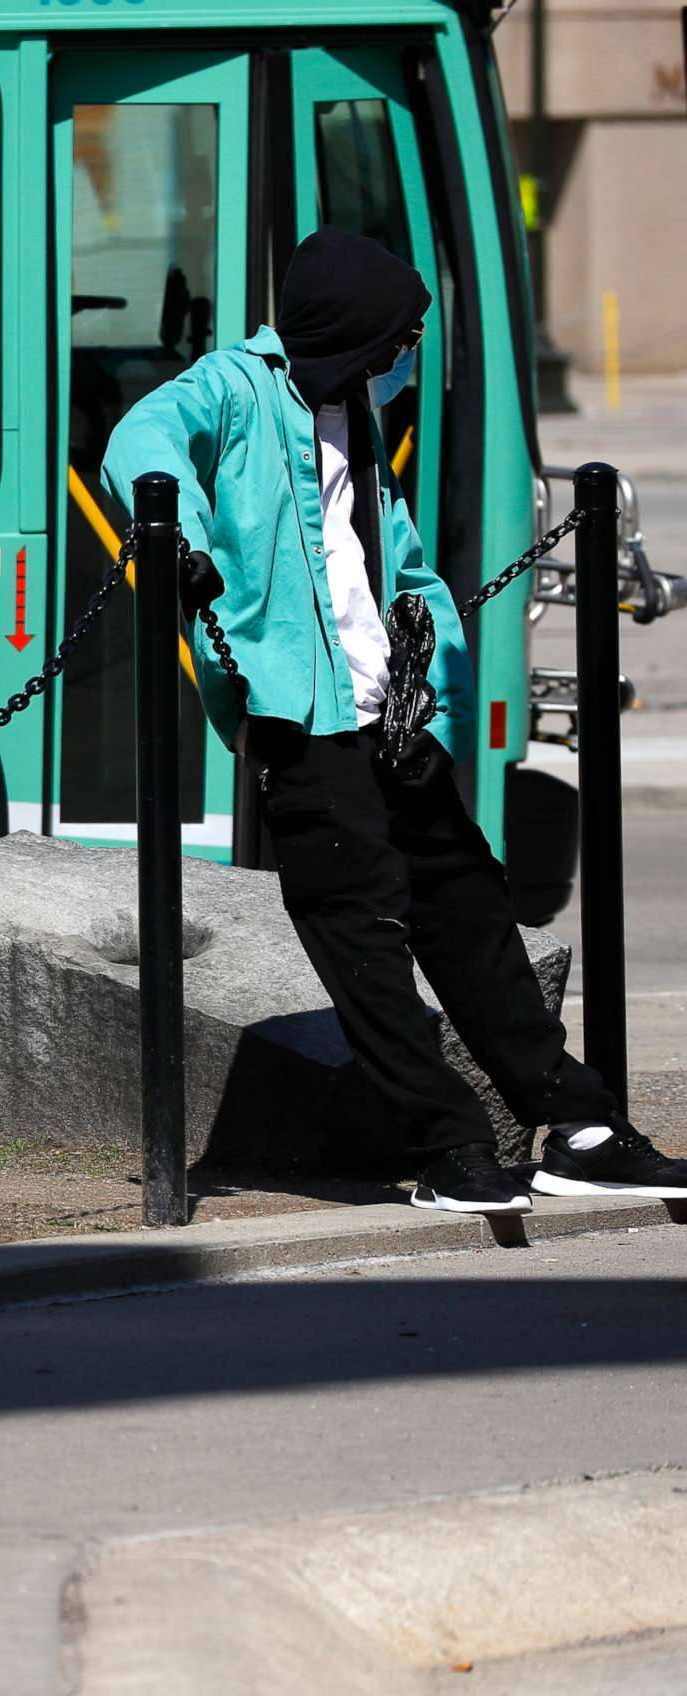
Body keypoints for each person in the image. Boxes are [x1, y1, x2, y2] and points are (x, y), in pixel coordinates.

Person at [103, 226, 687, 1214]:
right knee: (363, 936)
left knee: (469, 911)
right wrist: (185, 544)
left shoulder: (356, 415)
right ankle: (450, 1147)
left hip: (394, 713)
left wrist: (432, 657)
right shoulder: (236, 387)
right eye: (395, 336)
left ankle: (578, 1126)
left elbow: (395, 557)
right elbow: (138, 443)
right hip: (301, 717)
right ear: (347, 328)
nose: (402, 355)